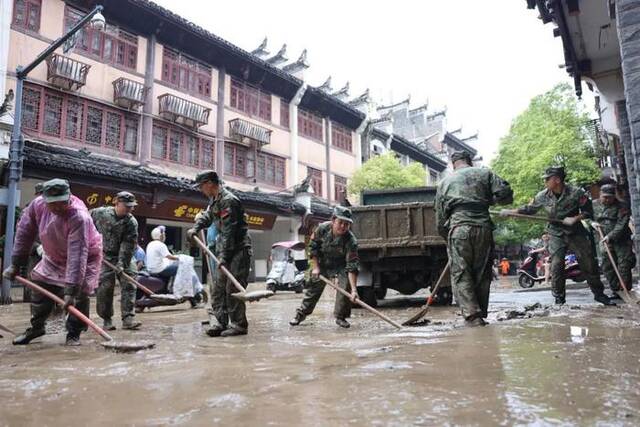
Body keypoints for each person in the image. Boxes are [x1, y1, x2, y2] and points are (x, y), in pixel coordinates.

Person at [3, 179, 103, 346]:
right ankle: (37, 327)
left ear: (69, 197)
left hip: (85, 257)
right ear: (44, 199)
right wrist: (15, 263)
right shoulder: (37, 205)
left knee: (79, 296)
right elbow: (24, 233)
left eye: (61, 203)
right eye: (52, 203)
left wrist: (71, 290)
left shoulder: (79, 217)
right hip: (54, 254)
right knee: (40, 287)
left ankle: (73, 333)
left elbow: (77, 255)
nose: (57, 208)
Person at [502, 167, 615, 306]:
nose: (545, 182)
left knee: (588, 263)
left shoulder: (577, 193)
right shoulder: (542, 196)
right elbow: (528, 209)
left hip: (575, 231)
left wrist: (575, 218)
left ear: (557, 180)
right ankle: (559, 298)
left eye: (547, 179)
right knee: (556, 265)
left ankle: (599, 294)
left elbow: (588, 212)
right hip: (555, 232)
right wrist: (510, 211)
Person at [435, 151, 513, 327]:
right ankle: (480, 312)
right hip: (483, 228)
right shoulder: (485, 173)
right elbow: (505, 193)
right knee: (482, 271)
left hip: (459, 229)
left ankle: (472, 315)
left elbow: (440, 220)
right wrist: (489, 201)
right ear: (469, 162)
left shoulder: (444, 182)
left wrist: (448, 238)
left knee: (461, 272)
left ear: (453, 164)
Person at [187, 171, 252, 337]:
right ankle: (220, 322)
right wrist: (197, 227)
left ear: (209, 183)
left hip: (238, 249)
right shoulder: (215, 200)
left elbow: (228, 233)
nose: (201, 190)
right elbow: (208, 216)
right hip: (225, 248)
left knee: (232, 287)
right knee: (218, 287)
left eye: (201, 186)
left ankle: (239, 325)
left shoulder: (229, 200)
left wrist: (223, 258)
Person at [289, 206, 360, 328]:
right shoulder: (322, 229)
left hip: (341, 265)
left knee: (345, 287)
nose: (343, 226)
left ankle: (340, 317)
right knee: (313, 288)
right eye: (340, 222)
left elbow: (352, 266)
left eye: (346, 224)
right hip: (322, 263)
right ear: (333, 220)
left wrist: (354, 290)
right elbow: (313, 248)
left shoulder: (351, 240)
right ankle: (300, 314)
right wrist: (316, 268)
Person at [90, 191, 141, 331]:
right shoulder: (99, 213)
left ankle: (128, 318)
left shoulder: (131, 222)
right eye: (127, 206)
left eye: (132, 206)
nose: (130, 209)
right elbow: (85, 224)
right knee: (105, 287)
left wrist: (121, 264)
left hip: (124, 256)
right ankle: (107, 319)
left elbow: (128, 245)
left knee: (129, 281)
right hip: (104, 255)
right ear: (116, 203)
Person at [593, 183, 636, 299]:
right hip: (603, 240)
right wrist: (591, 223)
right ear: (600, 194)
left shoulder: (622, 206)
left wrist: (610, 236)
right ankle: (616, 290)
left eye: (609, 197)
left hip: (621, 240)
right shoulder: (594, 205)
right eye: (604, 197)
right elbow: (586, 217)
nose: (606, 200)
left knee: (624, 264)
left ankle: (625, 289)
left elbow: (621, 224)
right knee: (607, 266)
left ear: (614, 196)